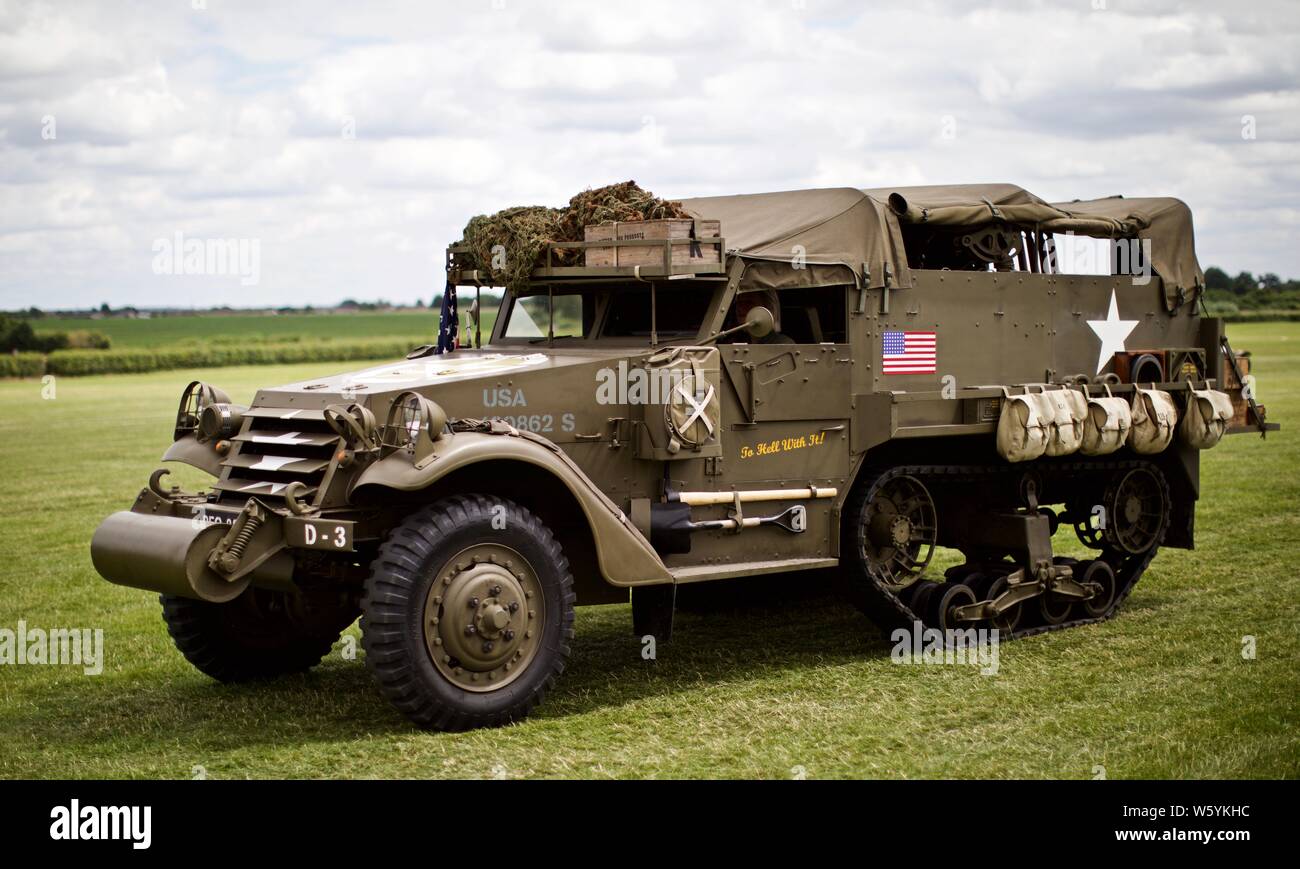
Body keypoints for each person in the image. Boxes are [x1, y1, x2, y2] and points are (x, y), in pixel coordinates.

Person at [726, 289, 794, 344]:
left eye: (748, 303)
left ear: (767, 307)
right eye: (739, 303)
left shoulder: (782, 344)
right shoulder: (736, 342)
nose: (740, 308)